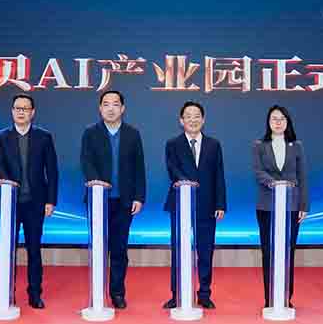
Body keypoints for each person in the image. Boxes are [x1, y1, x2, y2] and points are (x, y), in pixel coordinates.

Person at [80, 91, 146, 310]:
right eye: (106, 104)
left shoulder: (132, 134)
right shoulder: (90, 132)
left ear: (122, 108)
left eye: (115, 104)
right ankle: (97, 292)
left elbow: (139, 167)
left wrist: (139, 196)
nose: (111, 108)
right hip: (98, 200)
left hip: (124, 201)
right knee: (99, 247)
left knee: (119, 249)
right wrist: (97, 184)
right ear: (100, 108)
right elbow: (86, 162)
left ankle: (117, 292)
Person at [0, 94, 59, 309]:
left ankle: (35, 293)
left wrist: (51, 201)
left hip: (35, 203)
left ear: (33, 112)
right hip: (9, 203)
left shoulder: (43, 137)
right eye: (17, 108)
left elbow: (52, 171)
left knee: (34, 250)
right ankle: (7, 293)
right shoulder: (1, 136)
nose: (21, 112)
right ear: (12, 111)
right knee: (8, 250)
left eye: (25, 108)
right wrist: (6, 181)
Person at [162, 101, 227, 310]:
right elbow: (172, 169)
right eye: (188, 116)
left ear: (203, 119)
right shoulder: (172, 144)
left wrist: (220, 203)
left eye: (197, 116)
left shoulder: (214, 145)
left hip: (207, 205)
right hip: (180, 203)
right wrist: (186, 183)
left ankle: (204, 294)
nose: (193, 119)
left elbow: (219, 175)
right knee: (179, 250)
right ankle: (177, 294)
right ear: (181, 121)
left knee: (205, 252)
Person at [252, 105, 308, 308]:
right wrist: (275, 184)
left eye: (282, 118)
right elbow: (258, 172)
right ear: (268, 122)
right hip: (267, 206)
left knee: (287, 251)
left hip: (291, 205)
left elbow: (302, 176)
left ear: (287, 122)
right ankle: (270, 298)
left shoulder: (296, 145)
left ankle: (286, 297)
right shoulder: (259, 145)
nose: (278, 122)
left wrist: (304, 205)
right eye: (274, 119)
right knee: (268, 252)